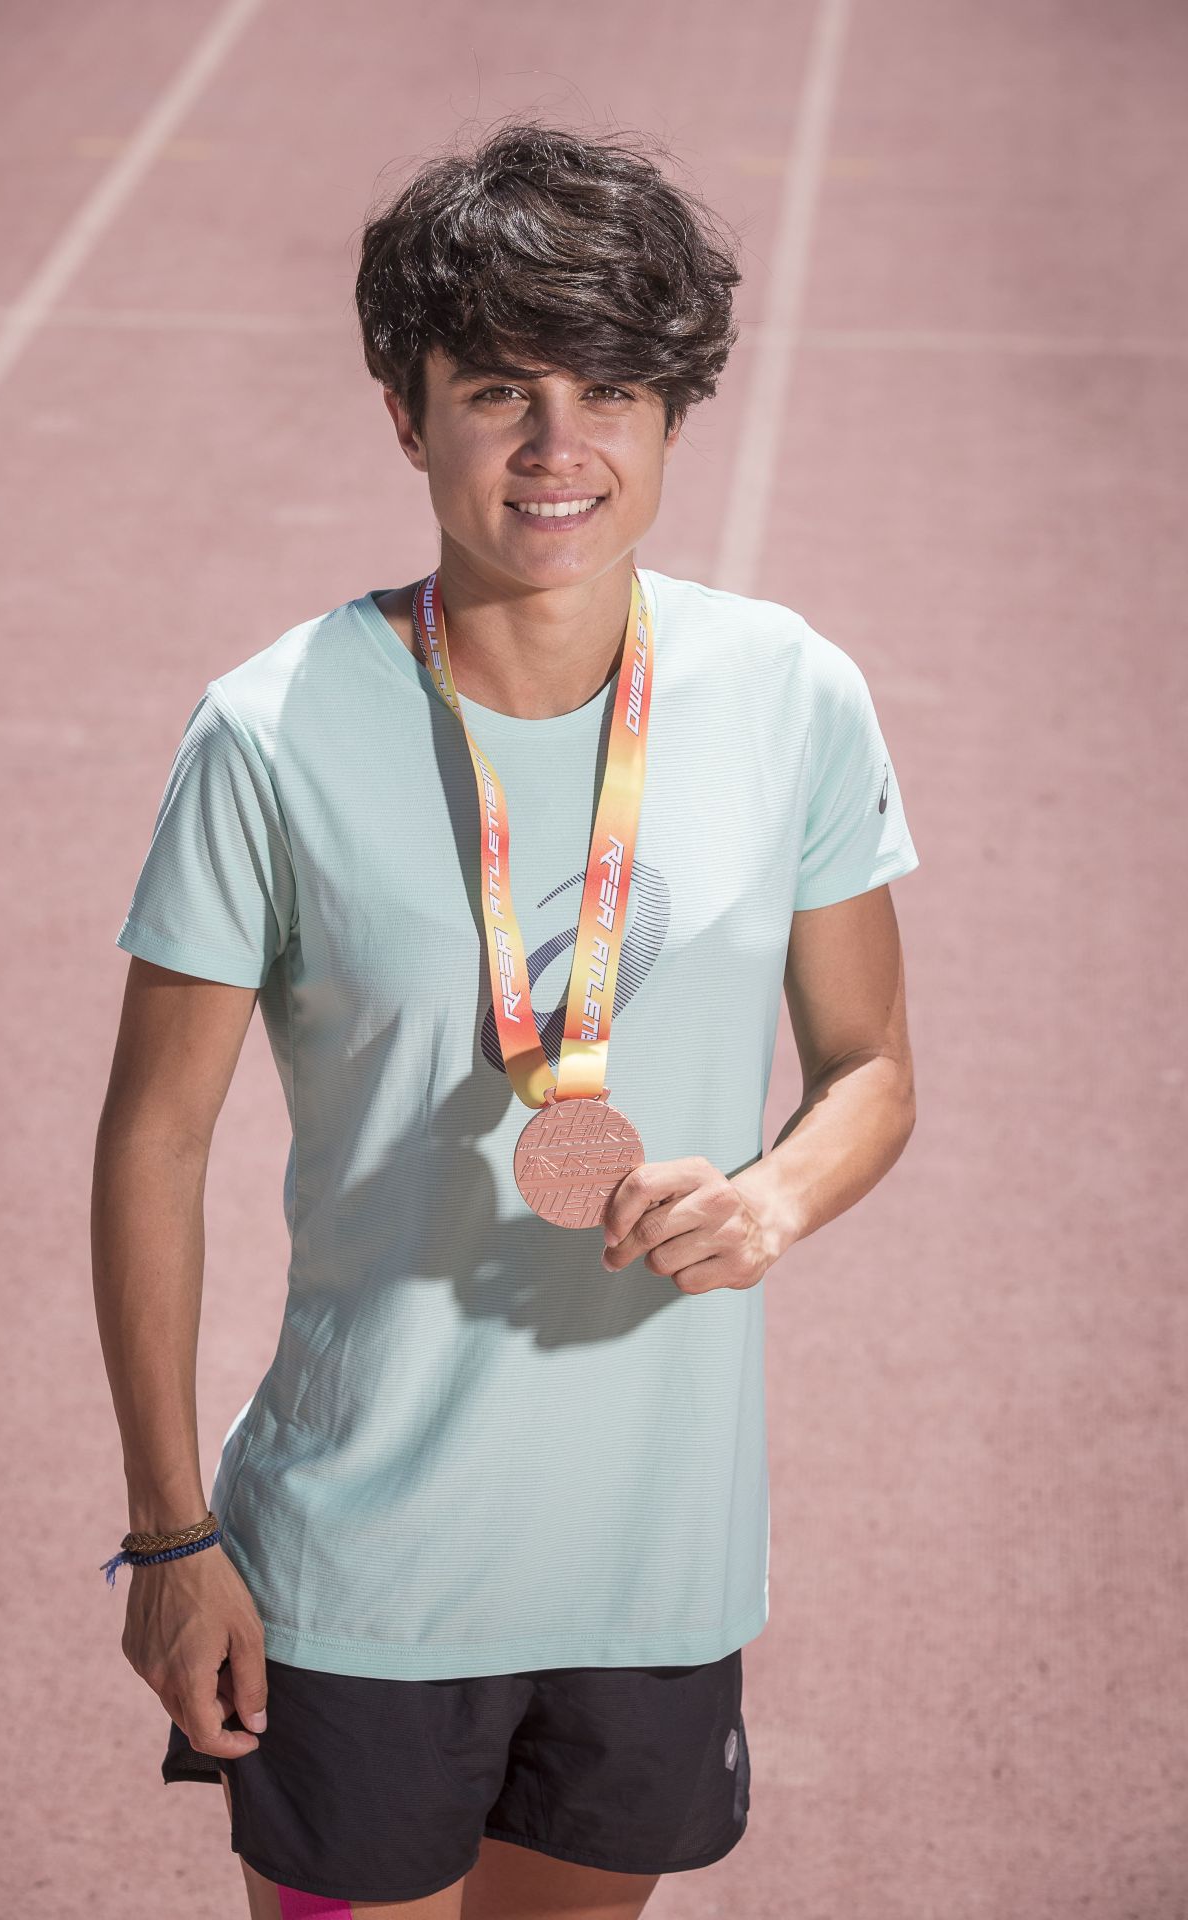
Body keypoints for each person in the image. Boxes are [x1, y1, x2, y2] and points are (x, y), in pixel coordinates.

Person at [92, 120, 921, 1920]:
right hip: (358, 1573)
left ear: (673, 410)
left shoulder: (792, 695)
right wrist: (168, 1536)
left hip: (655, 1567)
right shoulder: (270, 731)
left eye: (609, 390)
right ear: (408, 416)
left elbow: (870, 1068)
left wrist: (771, 1200)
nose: (560, 450)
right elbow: (153, 1140)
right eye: (497, 393)